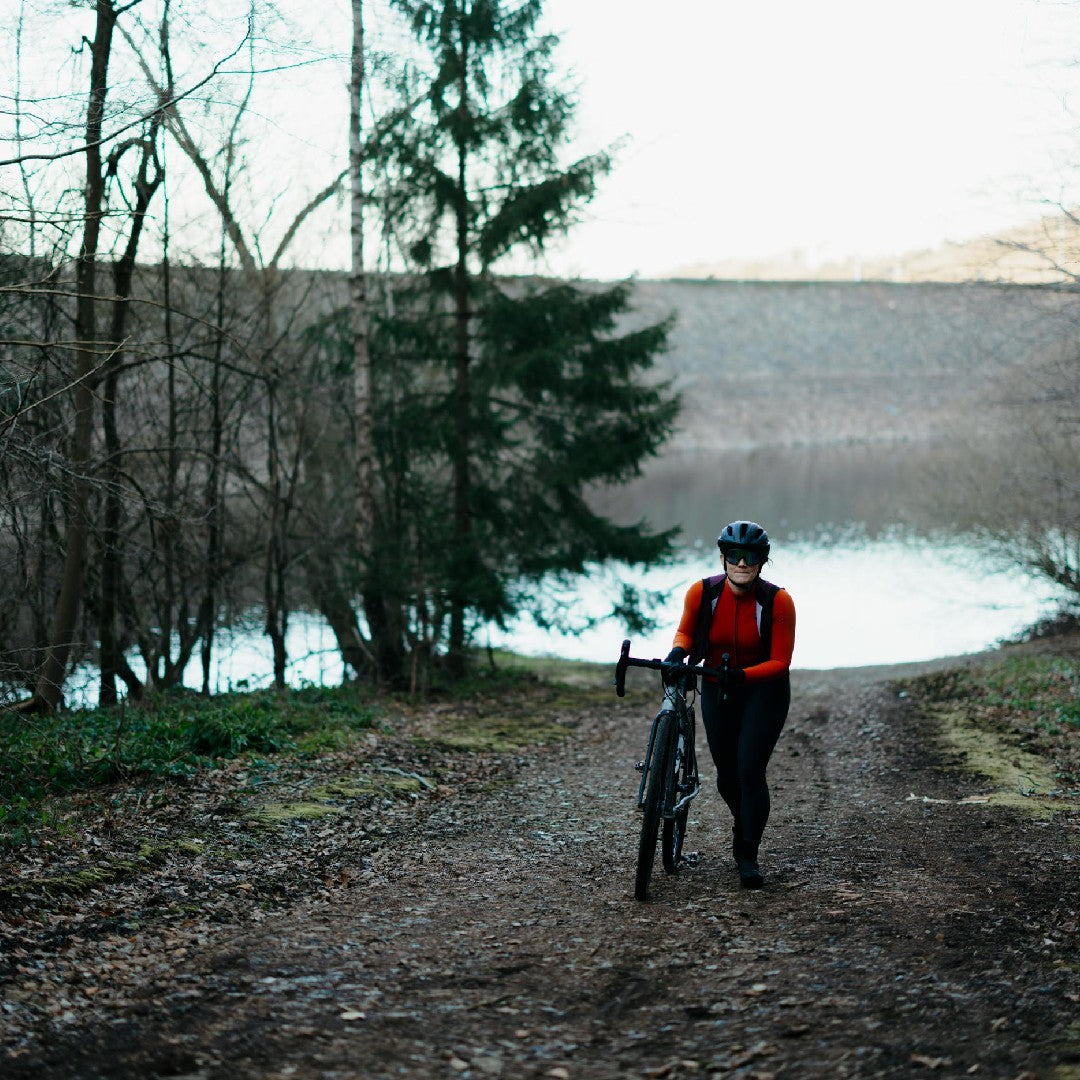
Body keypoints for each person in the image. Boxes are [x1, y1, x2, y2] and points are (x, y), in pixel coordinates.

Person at [663, 520, 796, 889]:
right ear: (723, 558)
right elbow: (686, 631)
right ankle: (746, 820)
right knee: (726, 775)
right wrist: (677, 651)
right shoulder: (702, 592)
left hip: (764, 691)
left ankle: (747, 854)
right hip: (717, 686)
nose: (742, 563)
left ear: (762, 562)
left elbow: (781, 661)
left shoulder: (777, 601)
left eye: (750, 556)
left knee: (749, 770)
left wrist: (742, 675)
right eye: (734, 555)